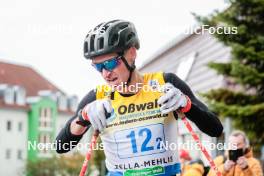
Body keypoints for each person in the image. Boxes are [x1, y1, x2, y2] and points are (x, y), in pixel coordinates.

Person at [56, 19, 223, 176]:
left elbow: (215, 129)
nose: (106, 73)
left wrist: (187, 105)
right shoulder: (97, 97)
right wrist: (82, 118)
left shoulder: (165, 83)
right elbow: (61, 146)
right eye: (98, 67)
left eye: (110, 63)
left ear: (131, 53)